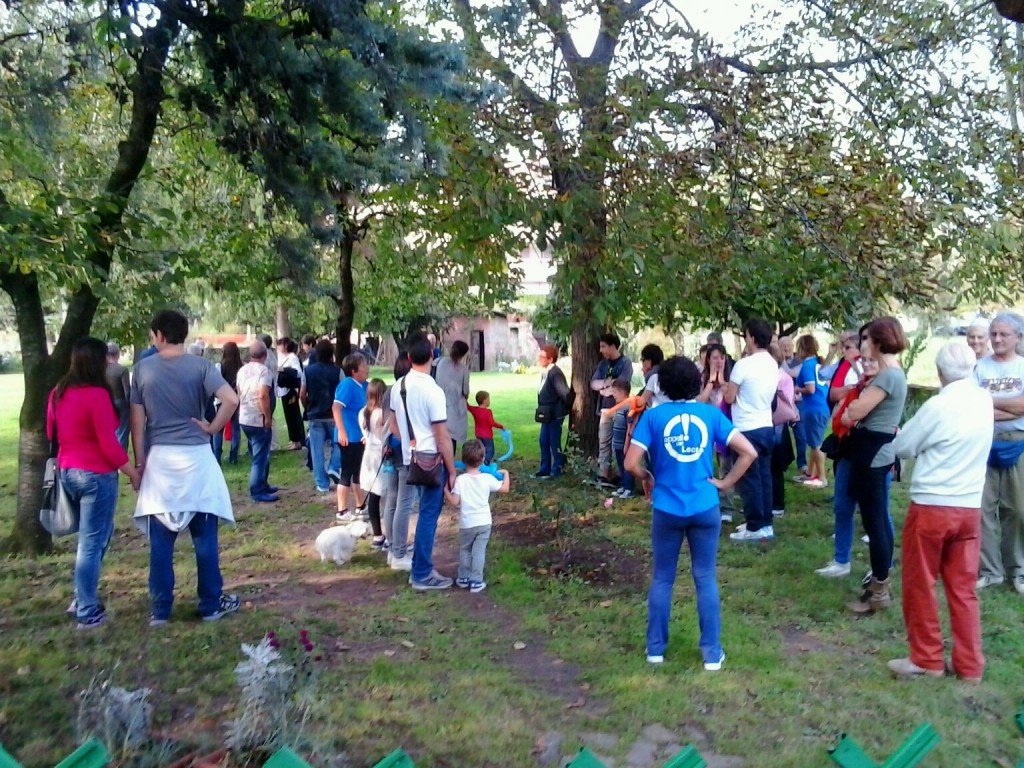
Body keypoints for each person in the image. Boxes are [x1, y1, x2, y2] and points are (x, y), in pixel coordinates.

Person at [625, 355, 757, 669]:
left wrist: (647, 477)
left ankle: (655, 650)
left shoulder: (653, 417)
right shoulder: (710, 414)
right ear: (696, 382)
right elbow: (748, 452)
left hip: (666, 508)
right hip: (705, 507)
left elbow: (630, 463)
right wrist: (725, 483)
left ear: (663, 386)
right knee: (705, 578)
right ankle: (712, 654)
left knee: (662, 579)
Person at [887, 342, 992, 682]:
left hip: (933, 504)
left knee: (920, 582)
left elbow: (903, 446)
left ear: (939, 372)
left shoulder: (938, 405)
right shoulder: (984, 400)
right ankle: (970, 665)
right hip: (969, 505)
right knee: (963, 588)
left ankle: (927, 659)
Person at [131, 309, 240, 626]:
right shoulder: (201, 366)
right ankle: (210, 604)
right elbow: (231, 400)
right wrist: (212, 428)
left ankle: (160, 609)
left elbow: (137, 424)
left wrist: (139, 463)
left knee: (160, 544)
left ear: (159, 335)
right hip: (196, 460)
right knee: (205, 540)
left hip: (161, 462)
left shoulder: (142, 370)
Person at [48, 338, 141, 630]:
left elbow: (51, 431)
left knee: (97, 537)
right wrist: (133, 472)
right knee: (91, 543)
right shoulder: (96, 395)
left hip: (67, 470)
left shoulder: (57, 392)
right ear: (99, 362)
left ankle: (82, 596)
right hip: (95, 475)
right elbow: (109, 445)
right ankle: (87, 610)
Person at [840, 317, 908, 613]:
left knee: (875, 521)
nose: (863, 343)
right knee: (876, 519)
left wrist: (854, 407)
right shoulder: (889, 373)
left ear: (878, 341)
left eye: (867, 338)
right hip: (871, 450)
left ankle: (879, 589)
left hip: (873, 453)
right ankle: (880, 584)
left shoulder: (888, 375)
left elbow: (854, 411)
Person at [389, 332, 458, 589]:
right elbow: (442, 436)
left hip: (411, 459)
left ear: (408, 357)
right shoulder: (433, 390)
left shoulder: (399, 387)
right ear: (432, 355)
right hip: (431, 461)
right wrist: (451, 469)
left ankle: (419, 565)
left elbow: (392, 423)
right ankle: (421, 573)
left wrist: (408, 441)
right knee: (429, 515)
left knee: (421, 512)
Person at [974, 311, 1024, 593]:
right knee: (983, 509)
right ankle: (990, 570)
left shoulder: (1022, 367)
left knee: (1017, 509)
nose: (997, 339)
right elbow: (972, 404)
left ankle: (1018, 569)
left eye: (1004, 334)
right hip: (984, 441)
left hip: (1018, 441)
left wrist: (988, 401)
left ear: (1018, 337)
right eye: (994, 333)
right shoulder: (980, 368)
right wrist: (1012, 406)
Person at [724, 319, 779, 542]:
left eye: (746, 336)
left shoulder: (743, 365)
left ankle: (754, 526)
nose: (745, 340)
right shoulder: (772, 363)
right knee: (764, 477)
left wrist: (727, 390)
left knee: (748, 479)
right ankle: (765, 523)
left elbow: (729, 397)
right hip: (766, 425)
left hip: (746, 428)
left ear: (753, 338)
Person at [445, 439, 510, 593]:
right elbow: (505, 489)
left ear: (463, 460)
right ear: (482, 459)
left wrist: (445, 490)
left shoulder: (460, 480)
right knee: (479, 552)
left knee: (465, 550)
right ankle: (476, 581)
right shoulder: (487, 478)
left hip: (467, 523)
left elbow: (454, 502)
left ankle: (463, 578)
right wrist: (506, 474)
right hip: (484, 523)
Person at [697, 343, 738, 522]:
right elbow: (699, 401)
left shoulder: (732, 378)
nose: (719, 361)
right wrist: (711, 382)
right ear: (708, 360)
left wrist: (721, 381)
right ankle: (706, 502)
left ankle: (727, 507)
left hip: (726, 428)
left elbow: (730, 398)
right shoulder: (702, 378)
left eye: (722, 358)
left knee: (726, 467)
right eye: (715, 358)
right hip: (706, 429)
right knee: (705, 467)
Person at [236, 340, 278, 503]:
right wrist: (267, 416)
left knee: (261, 452)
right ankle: (257, 490)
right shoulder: (264, 371)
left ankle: (263, 483)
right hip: (258, 418)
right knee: (260, 456)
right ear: (265, 355)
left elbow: (239, 391)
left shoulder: (242, 370)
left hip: (245, 416)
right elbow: (263, 395)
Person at [382, 353, 413, 566]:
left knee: (392, 499)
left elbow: (386, 423)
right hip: (404, 450)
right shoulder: (408, 392)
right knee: (404, 502)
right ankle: (399, 553)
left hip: (389, 449)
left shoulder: (389, 391)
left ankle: (393, 546)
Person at [591, 332, 633, 485]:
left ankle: (620, 475)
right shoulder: (603, 364)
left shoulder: (625, 363)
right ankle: (603, 474)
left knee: (618, 444)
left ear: (613, 346)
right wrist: (607, 384)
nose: (601, 350)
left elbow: (622, 384)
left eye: (603, 346)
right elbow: (593, 383)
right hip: (605, 408)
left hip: (620, 408)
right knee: (603, 441)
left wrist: (607, 386)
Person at [301, 339, 341, 494]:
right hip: (334, 415)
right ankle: (334, 466)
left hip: (315, 414)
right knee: (339, 444)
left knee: (316, 450)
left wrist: (307, 407)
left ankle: (322, 483)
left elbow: (302, 394)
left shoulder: (308, 371)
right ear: (332, 354)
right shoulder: (338, 371)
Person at [333, 352, 369, 522]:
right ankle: (342, 510)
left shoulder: (363, 385)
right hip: (348, 437)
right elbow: (336, 408)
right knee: (347, 472)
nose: (367, 369)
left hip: (359, 436)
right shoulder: (347, 385)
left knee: (358, 472)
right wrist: (341, 431)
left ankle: (360, 505)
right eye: (364, 366)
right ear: (354, 371)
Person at [793, 335, 830, 489]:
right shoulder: (817, 364)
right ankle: (810, 473)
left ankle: (822, 478)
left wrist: (797, 389)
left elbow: (810, 389)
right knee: (814, 441)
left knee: (816, 445)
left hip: (814, 408)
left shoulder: (807, 366)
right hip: (822, 407)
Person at [359, 379, 389, 549]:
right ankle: (389, 535)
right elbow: (383, 436)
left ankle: (378, 534)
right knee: (388, 496)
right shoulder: (382, 414)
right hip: (381, 456)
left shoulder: (363, 412)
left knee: (373, 497)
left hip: (369, 455)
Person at [536, 345, 572, 479]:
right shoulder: (547, 372)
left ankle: (557, 469)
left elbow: (564, 393)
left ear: (550, 359)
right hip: (546, 413)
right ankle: (544, 469)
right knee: (543, 440)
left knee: (553, 441)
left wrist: (564, 408)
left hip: (555, 414)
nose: (539, 359)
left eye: (542, 357)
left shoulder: (555, 373)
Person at [602, 380, 640, 499]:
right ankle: (624, 486)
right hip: (618, 444)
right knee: (620, 465)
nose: (613, 395)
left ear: (623, 393)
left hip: (625, 444)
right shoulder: (619, 405)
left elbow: (629, 426)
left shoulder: (628, 406)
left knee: (627, 466)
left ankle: (629, 489)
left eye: (615, 392)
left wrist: (626, 445)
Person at [434, 340, 471, 453]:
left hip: (436, 404)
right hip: (453, 409)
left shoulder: (438, 362)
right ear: (464, 354)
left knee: (438, 437)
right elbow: (465, 391)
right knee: (451, 440)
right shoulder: (463, 369)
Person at [212, 342, 243, 465]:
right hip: (236, 400)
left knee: (218, 429)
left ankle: (217, 457)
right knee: (236, 429)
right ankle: (233, 457)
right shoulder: (241, 367)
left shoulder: (219, 366)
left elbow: (216, 384)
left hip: (222, 400)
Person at [276, 337, 305, 450]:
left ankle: (298, 440)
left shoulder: (292, 357)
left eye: (281, 344)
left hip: (291, 390)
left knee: (293, 415)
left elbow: (298, 373)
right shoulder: (282, 357)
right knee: (288, 416)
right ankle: (294, 439)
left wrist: (284, 369)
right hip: (284, 390)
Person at [105, 342, 131, 451]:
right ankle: (121, 454)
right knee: (123, 432)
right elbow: (127, 391)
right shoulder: (122, 370)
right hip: (121, 403)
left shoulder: (102, 370)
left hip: (106, 403)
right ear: (118, 354)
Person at [467, 391, 504, 464]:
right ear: (484, 401)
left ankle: (479, 462)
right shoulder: (488, 412)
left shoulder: (475, 410)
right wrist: (501, 426)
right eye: (488, 399)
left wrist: (464, 398)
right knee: (490, 451)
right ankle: (485, 462)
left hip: (478, 435)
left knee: (481, 450)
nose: (489, 400)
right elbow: (491, 423)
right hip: (487, 436)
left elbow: (468, 406)